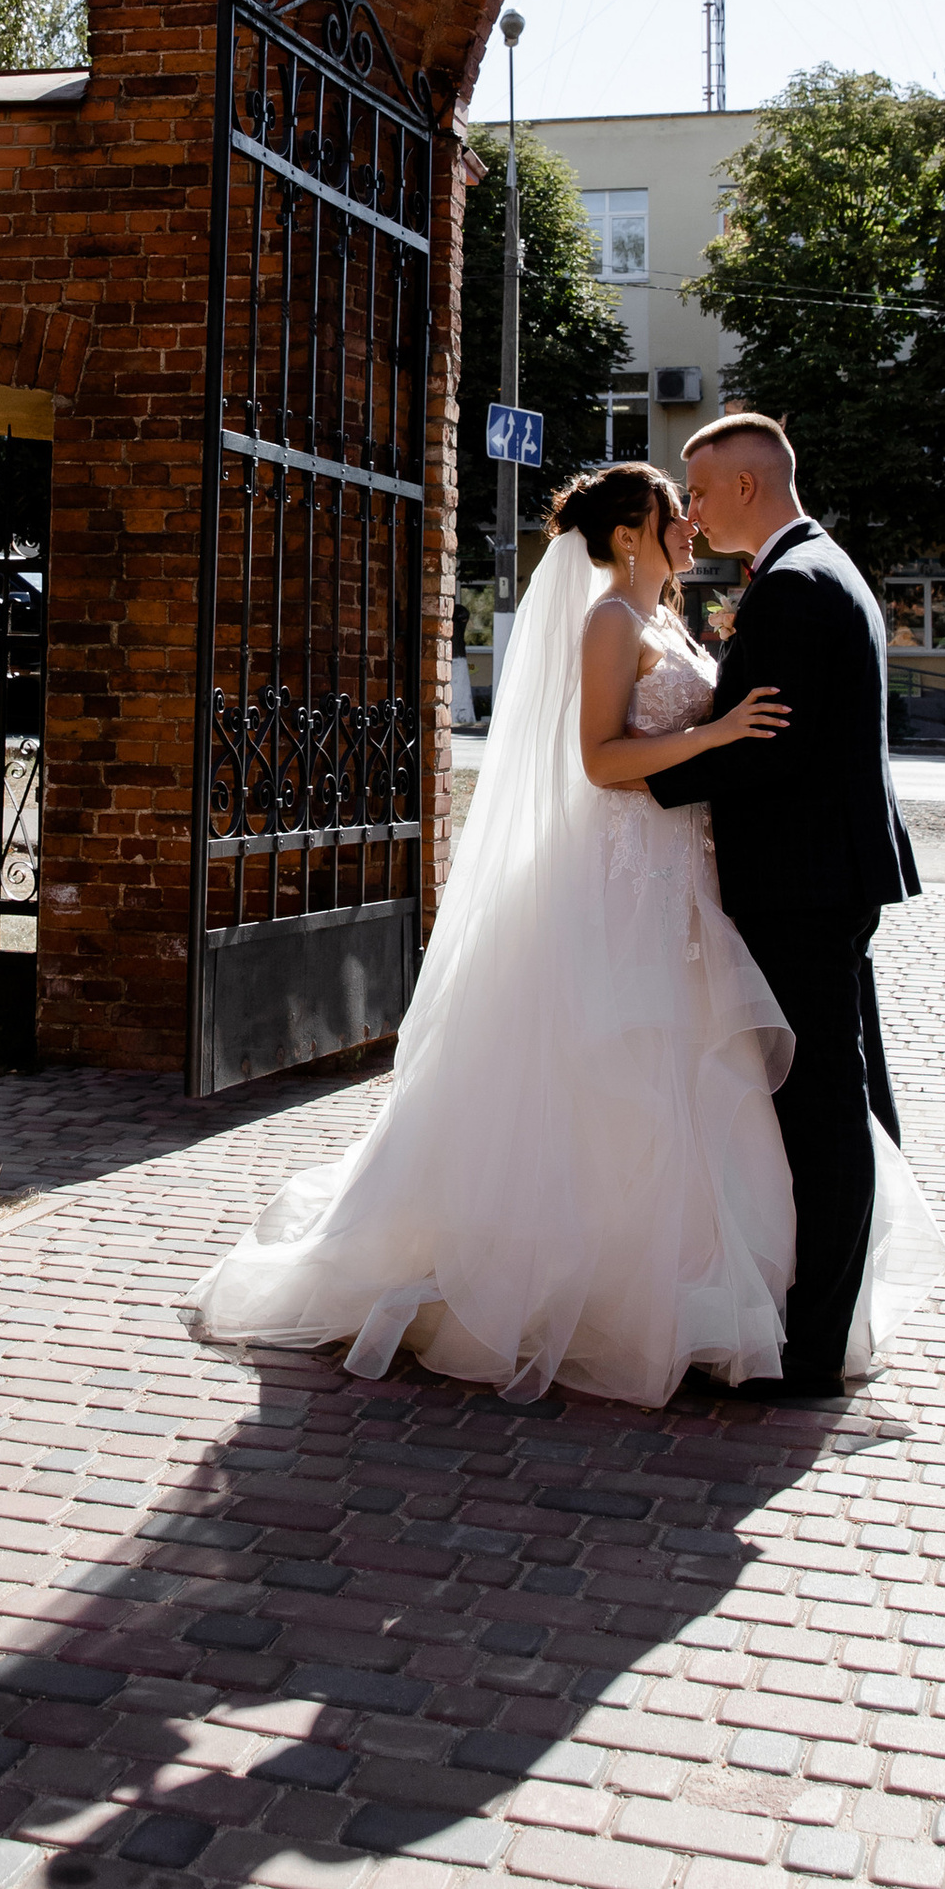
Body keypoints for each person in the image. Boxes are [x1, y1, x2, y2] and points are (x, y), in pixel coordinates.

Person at [183, 460, 806, 1405]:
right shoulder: (610, 621)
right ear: (630, 536)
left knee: (682, 1066)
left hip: (681, 870)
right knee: (612, 1065)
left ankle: (687, 1284)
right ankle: (588, 1293)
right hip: (621, 869)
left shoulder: (668, 619)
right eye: (670, 511)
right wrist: (715, 740)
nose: (688, 522)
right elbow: (599, 759)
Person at [646, 411, 940, 1400]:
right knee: (838, 1097)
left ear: (742, 486)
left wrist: (636, 784)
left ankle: (813, 1348)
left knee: (820, 1111)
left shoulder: (794, 588)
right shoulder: (817, 568)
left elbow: (767, 744)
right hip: (826, 875)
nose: (691, 511)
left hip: (803, 882)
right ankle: (832, 1315)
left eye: (697, 491)